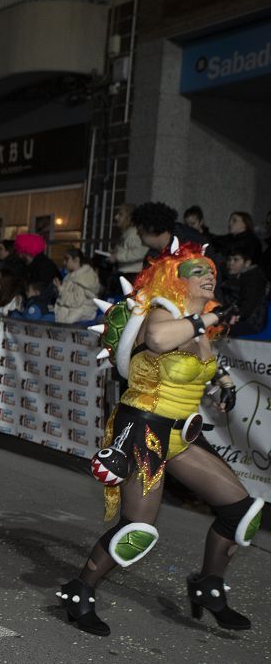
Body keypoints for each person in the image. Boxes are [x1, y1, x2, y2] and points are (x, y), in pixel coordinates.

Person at [59, 239, 262, 637]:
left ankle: (208, 587)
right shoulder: (161, 312)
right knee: (137, 529)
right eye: (199, 271)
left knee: (241, 511)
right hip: (144, 429)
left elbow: (202, 362)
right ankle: (79, 591)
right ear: (176, 277)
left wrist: (221, 383)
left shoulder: (199, 320)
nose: (209, 277)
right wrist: (204, 321)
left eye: (212, 273)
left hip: (180, 432)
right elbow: (158, 342)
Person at [221, 244, 269, 337]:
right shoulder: (236, 276)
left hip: (250, 322)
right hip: (235, 317)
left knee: (213, 329)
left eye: (236, 260)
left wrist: (230, 318)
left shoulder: (254, 279)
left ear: (247, 263)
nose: (231, 263)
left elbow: (247, 308)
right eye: (229, 259)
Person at [54, 248, 101, 324]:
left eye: (67, 259)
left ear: (76, 260)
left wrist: (60, 288)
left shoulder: (84, 278)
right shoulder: (71, 276)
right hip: (71, 310)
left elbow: (76, 301)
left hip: (80, 312)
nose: (64, 262)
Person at [13, 233, 59, 307]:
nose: (18, 254)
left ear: (25, 251)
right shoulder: (25, 265)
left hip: (41, 307)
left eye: (19, 250)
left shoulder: (45, 266)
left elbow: (45, 290)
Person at [108, 203, 148, 284]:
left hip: (131, 275)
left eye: (120, 214)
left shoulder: (134, 234)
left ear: (129, 218)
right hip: (125, 273)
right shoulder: (128, 234)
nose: (116, 217)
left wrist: (117, 256)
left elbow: (139, 252)